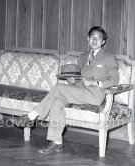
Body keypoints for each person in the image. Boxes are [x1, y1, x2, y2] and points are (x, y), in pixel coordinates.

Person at [12, 26, 119, 154]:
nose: (95, 40)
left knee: (58, 87)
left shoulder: (109, 57)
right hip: (78, 91)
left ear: (103, 42)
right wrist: (72, 81)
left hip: (94, 94)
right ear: (88, 39)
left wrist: (95, 82)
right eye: (92, 37)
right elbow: (79, 77)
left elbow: (114, 80)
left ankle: (30, 117)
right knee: (57, 102)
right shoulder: (83, 56)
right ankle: (57, 142)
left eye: (98, 38)